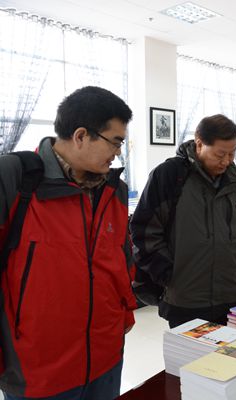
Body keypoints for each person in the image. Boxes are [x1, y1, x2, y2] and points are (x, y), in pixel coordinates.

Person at [0, 86, 136, 399]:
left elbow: (122, 258)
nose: (118, 152)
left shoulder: (114, 190)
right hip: (38, 369)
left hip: (106, 358)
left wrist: (124, 312)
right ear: (81, 136)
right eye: (115, 142)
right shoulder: (15, 178)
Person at [130, 114, 236, 327]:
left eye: (232, 153)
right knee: (188, 350)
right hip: (186, 297)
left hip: (233, 293)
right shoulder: (170, 176)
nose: (227, 161)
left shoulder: (234, 179)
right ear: (199, 144)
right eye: (220, 154)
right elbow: (144, 231)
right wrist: (167, 274)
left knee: (233, 349)